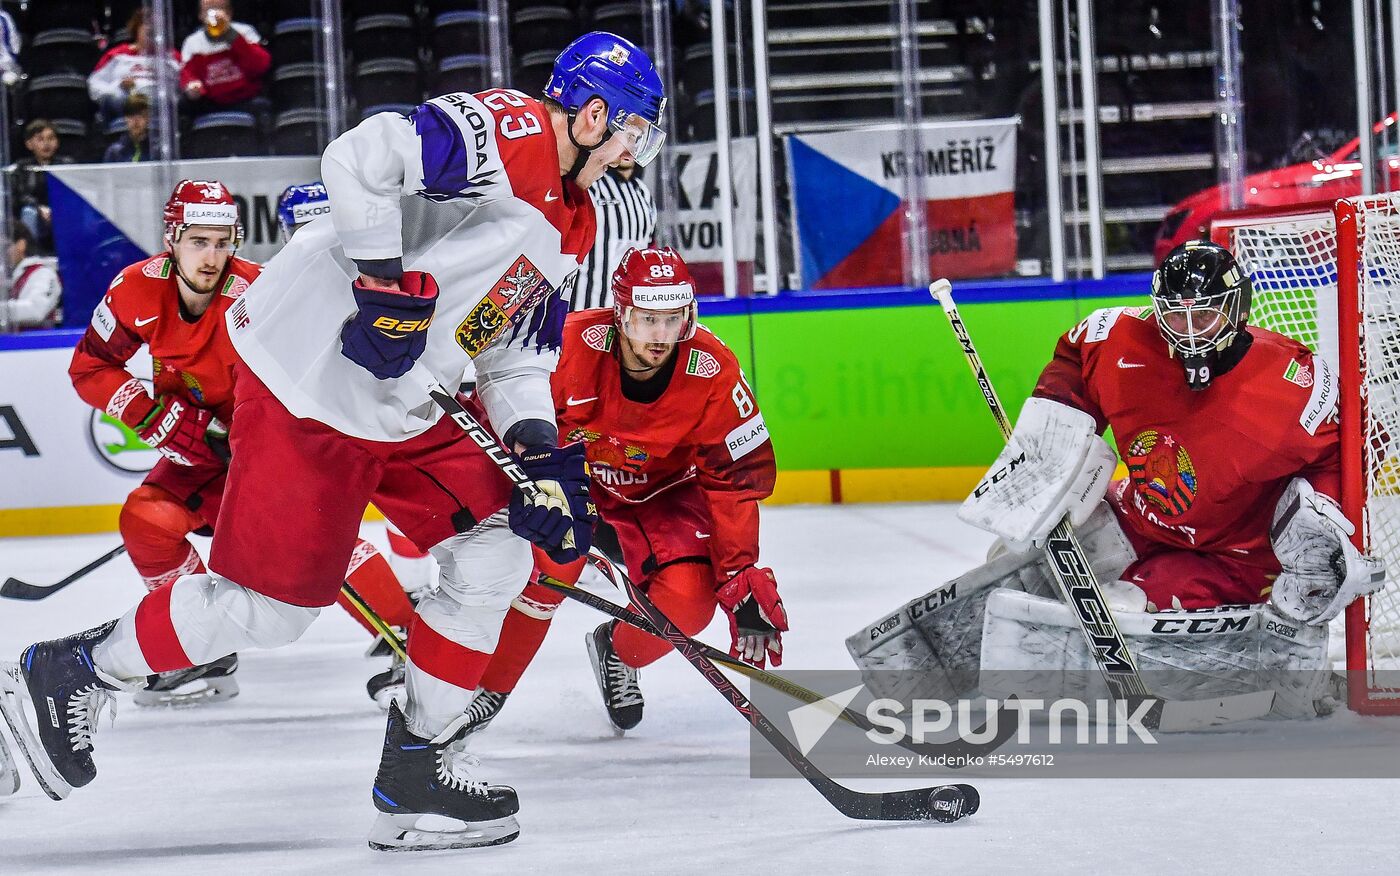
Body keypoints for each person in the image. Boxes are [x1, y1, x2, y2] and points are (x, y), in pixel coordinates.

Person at [0, 32, 666, 852]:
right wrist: (383, 279)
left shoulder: (576, 224)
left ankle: (417, 767)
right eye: (634, 130)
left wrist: (541, 453)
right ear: (594, 115)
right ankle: (72, 669)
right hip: (310, 376)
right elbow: (361, 155)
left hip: (402, 401)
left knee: (499, 548)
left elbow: (510, 349)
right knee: (270, 611)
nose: (636, 149)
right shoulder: (516, 130)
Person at [849, 240, 1387, 717]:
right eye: (1176, 316)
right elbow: (1075, 353)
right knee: (1015, 556)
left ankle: (1067, 660)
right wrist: (1055, 429)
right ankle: (952, 666)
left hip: (1232, 558)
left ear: (1237, 311)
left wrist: (1323, 532)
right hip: (1137, 515)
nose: (1189, 331)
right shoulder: (1122, 338)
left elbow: (1351, 450)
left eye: (1205, 317)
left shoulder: (1294, 385)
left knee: (1122, 606)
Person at [62, 179, 417, 707]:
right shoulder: (133, 290)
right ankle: (198, 651)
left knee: (313, 539)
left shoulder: (260, 292)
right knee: (146, 518)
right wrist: (151, 414)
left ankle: (408, 639)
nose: (211, 256)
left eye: (223, 242)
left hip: (274, 448)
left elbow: (313, 375)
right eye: (198, 241)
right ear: (172, 238)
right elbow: (90, 366)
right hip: (205, 453)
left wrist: (269, 436)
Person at [459, 246, 784, 735]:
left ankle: (615, 647)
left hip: (664, 497)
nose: (660, 336)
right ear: (620, 315)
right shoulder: (570, 345)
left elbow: (734, 480)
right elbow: (501, 412)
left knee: (689, 607)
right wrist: (506, 483)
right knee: (553, 566)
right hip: (574, 481)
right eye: (647, 319)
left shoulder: (714, 371)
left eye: (673, 319)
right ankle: (487, 688)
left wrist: (739, 574)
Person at [573, 154, 656, 310]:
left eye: (635, 140)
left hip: (627, 313)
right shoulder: (590, 184)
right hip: (582, 309)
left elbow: (649, 249)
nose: (629, 149)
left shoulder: (643, 193)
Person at [179, 0, 271, 129]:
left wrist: (232, 36)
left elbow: (261, 66)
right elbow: (188, 74)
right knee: (183, 107)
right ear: (200, 15)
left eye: (219, 9)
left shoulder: (245, 32)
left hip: (244, 98)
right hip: (210, 101)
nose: (214, 15)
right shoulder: (192, 42)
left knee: (263, 108)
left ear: (229, 13)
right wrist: (192, 86)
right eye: (208, 10)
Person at [89, 7, 182, 126]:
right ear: (137, 28)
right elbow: (94, 84)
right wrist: (118, 86)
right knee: (110, 100)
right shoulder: (116, 55)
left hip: (159, 104)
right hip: (125, 104)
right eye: (147, 25)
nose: (151, 29)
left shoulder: (172, 57)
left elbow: (184, 84)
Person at [11, 120, 75, 247]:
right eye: (40, 139)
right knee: (29, 212)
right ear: (29, 144)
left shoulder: (66, 165)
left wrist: (56, 209)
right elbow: (21, 196)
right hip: (36, 213)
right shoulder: (22, 167)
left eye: (51, 138)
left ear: (57, 142)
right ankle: (31, 255)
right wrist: (39, 208)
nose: (46, 144)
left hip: (60, 211)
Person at [0, 224, 62, 330]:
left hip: (38, 343)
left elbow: (36, 310)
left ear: (21, 244)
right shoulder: (12, 275)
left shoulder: (43, 273)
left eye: (4, 247)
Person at [103, 93, 151, 163]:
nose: (136, 120)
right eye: (131, 115)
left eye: (141, 115)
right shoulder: (114, 152)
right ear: (125, 118)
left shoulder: (157, 150)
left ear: (148, 118)